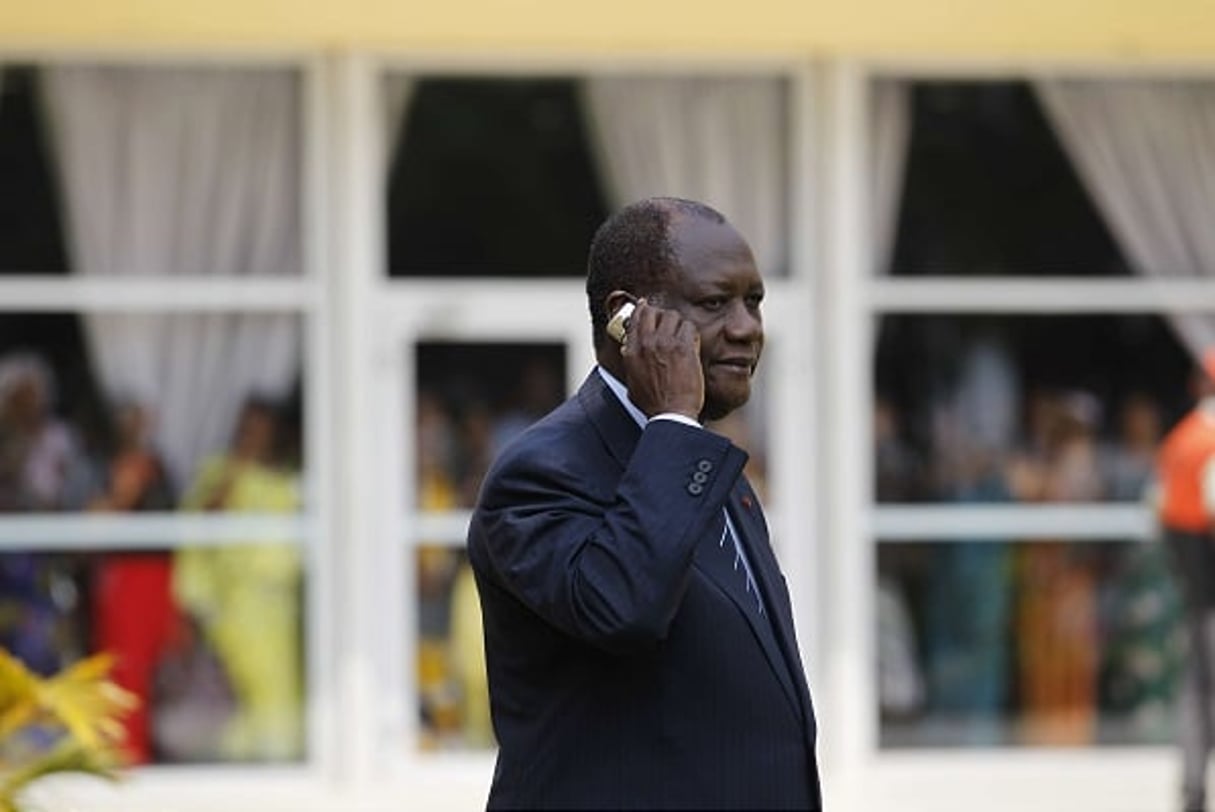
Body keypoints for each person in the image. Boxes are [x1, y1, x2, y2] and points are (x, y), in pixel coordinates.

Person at [466, 197, 821, 809]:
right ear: (627, 319)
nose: (746, 327)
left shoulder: (710, 468)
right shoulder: (541, 473)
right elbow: (621, 608)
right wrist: (674, 423)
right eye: (715, 303)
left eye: (754, 301)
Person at [1155, 350, 1215, 812]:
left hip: (1197, 594)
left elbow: (1161, 514)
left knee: (1197, 692)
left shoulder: (1178, 440)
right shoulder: (1207, 443)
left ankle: (1192, 791)